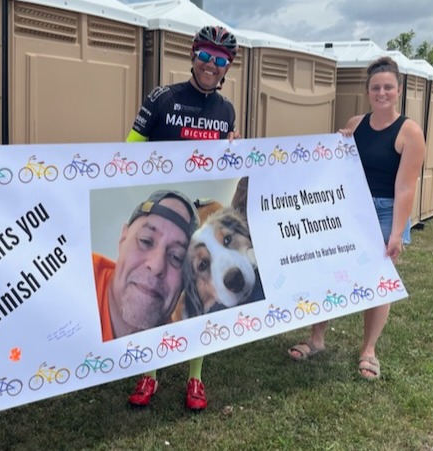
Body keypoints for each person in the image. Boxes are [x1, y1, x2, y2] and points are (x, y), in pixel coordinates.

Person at [125, 25, 241, 411]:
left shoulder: (226, 110)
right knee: (160, 286)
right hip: (166, 210)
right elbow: (127, 151)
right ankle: (150, 372)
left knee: (197, 292)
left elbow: (223, 166)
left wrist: (233, 153)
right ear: (192, 55)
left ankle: (195, 377)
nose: (211, 65)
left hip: (203, 213)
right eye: (205, 56)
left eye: (220, 60)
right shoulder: (163, 98)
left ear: (228, 67)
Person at [287, 56, 425, 380]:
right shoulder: (355, 123)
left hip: (387, 210)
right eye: (376, 87)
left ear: (399, 90)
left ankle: (368, 351)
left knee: (378, 281)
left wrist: (396, 233)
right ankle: (316, 338)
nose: (382, 93)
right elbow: (338, 167)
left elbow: (406, 187)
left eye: (388, 87)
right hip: (350, 207)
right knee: (330, 269)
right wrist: (339, 142)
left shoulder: (410, 132)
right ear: (367, 91)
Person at [94, 189, 199, 341]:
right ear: (123, 239)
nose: (157, 266)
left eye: (176, 257)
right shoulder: (74, 276)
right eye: (146, 241)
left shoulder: (177, 348)